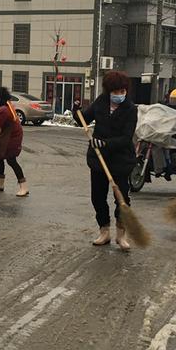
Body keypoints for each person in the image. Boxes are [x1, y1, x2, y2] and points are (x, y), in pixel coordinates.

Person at [75, 71, 137, 250]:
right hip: (98, 159)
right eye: (115, 91)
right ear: (108, 90)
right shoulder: (101, 102)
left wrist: (105, 143)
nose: (119, 95)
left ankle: (121, 233)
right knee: (98, 197)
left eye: (122, 91)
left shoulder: (130, 109)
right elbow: (83, 120)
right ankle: (104, 231)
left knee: (122, 198)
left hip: (121, 159)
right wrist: (76, 110)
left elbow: (126, 137)